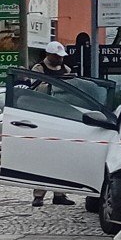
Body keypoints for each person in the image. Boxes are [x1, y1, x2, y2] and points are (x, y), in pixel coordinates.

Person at [30, 41, 74, 208]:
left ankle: (60, 193)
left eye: (61, 57)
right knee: (43, 157)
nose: (60, 60)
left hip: (62, 117)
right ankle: (39, 195)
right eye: (57, 56)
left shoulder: (67, 70)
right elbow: (36, 89)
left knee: (62, 157)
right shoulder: (38, 69)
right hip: (44, 116)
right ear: (49, 55)